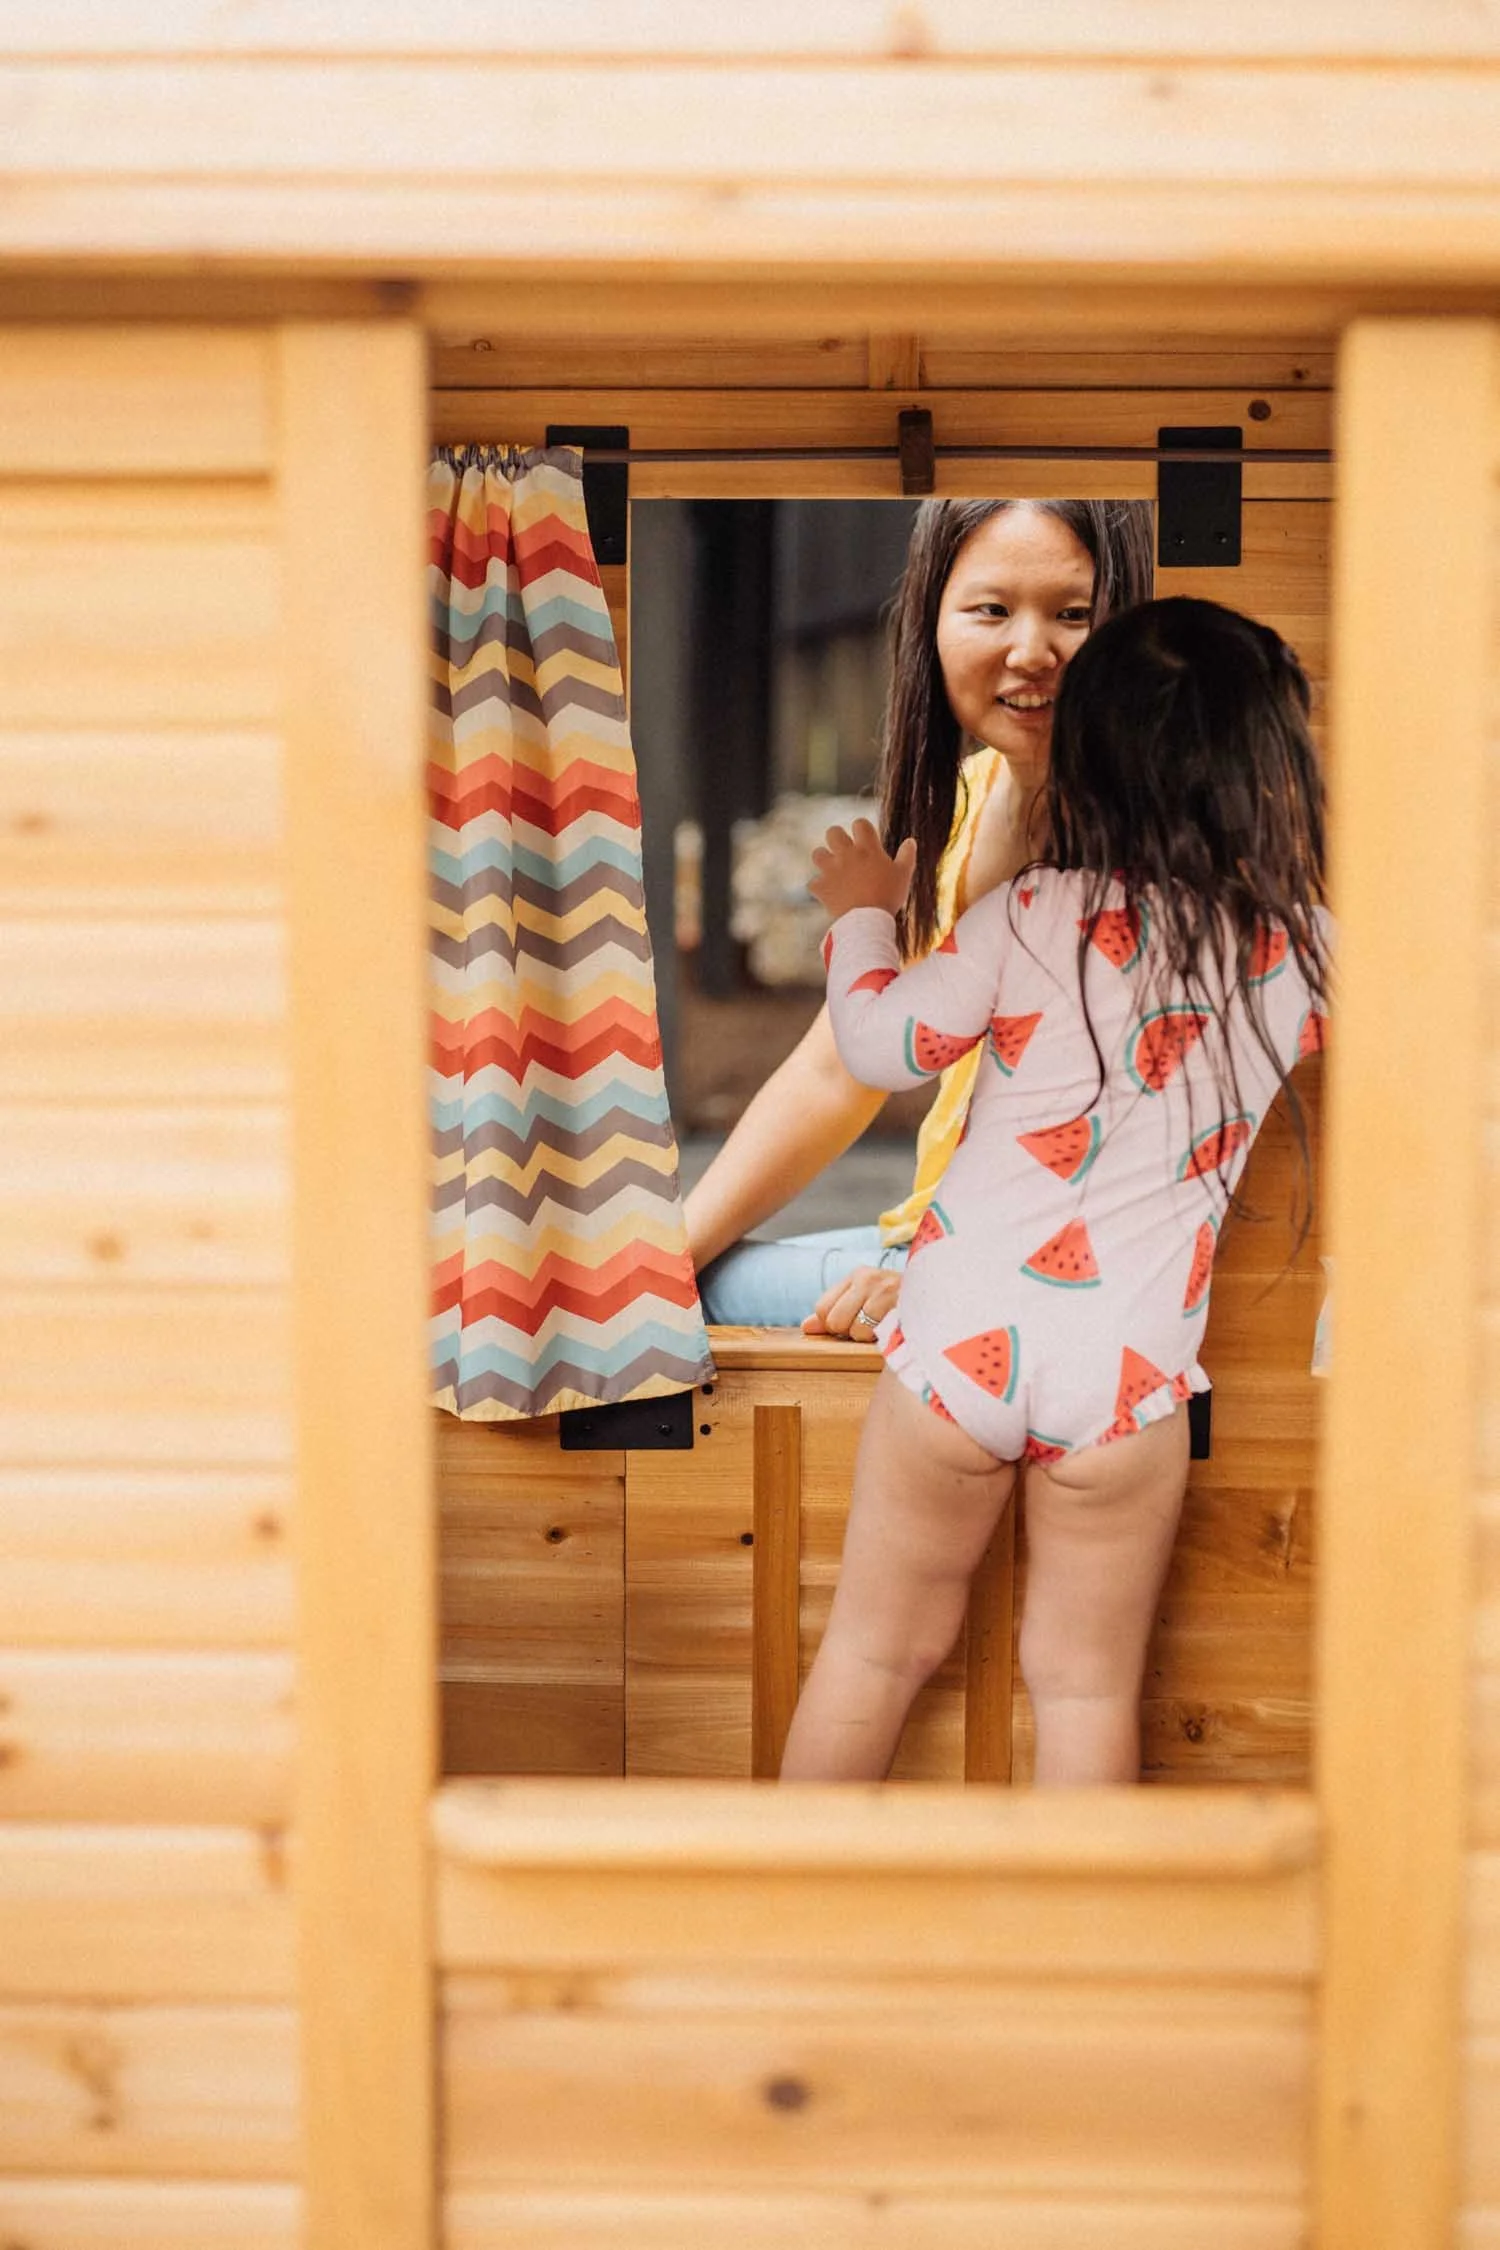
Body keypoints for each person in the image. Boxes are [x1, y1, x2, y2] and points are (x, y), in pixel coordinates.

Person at [778, 596, 1332, 1786]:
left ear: (1081, 761)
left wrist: (864, 921)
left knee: (872, 1656)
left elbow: (880, 1051)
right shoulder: (1296, 950)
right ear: (1270, 774)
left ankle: (780, 1923)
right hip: (1127, 1379)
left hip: (955, 1347)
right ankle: (1102, 1964)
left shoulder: (1026, 914)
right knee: (1084, 1689)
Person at [685, 497, 1156, 1338]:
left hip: (1058, 1286)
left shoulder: (1164, 841)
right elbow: (840, 1071)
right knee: (655, 1289)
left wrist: (976, 1281)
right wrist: (655, 1264)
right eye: (991, 609)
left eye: (1075, 614)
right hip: (935, 1249)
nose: (1030, 650)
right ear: (930, 620)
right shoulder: (966, 802)